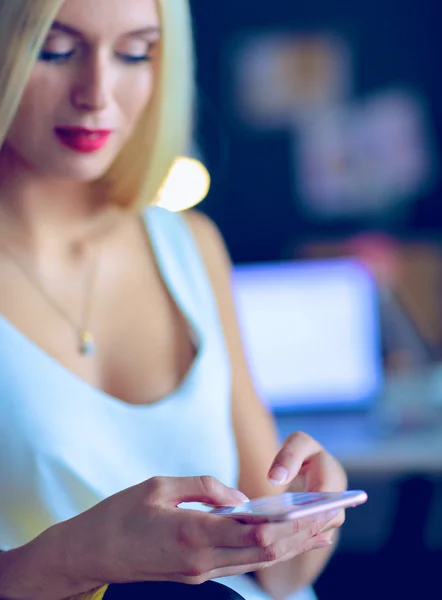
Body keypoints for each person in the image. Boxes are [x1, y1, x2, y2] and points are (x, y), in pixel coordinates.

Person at [0, 1, 348, 599]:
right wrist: (79, 557)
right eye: (54, 50)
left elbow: (278, 578)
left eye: (135, 52)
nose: (97, 94)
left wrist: (308, 519)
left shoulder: (190, 243)